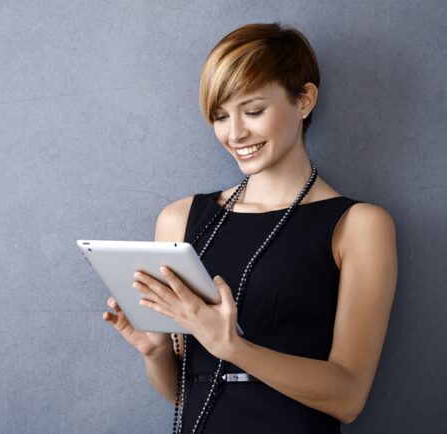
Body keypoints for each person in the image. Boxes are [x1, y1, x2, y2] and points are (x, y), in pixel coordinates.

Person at [102, 22, 398, 433]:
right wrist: (155, 353)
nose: (235, 133)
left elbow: (348, 397)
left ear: (305, 100)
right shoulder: (179, 219)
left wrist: (232, 347)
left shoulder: (360, 225)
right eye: (220, 116)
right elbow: (184, 393)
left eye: (254, 111)